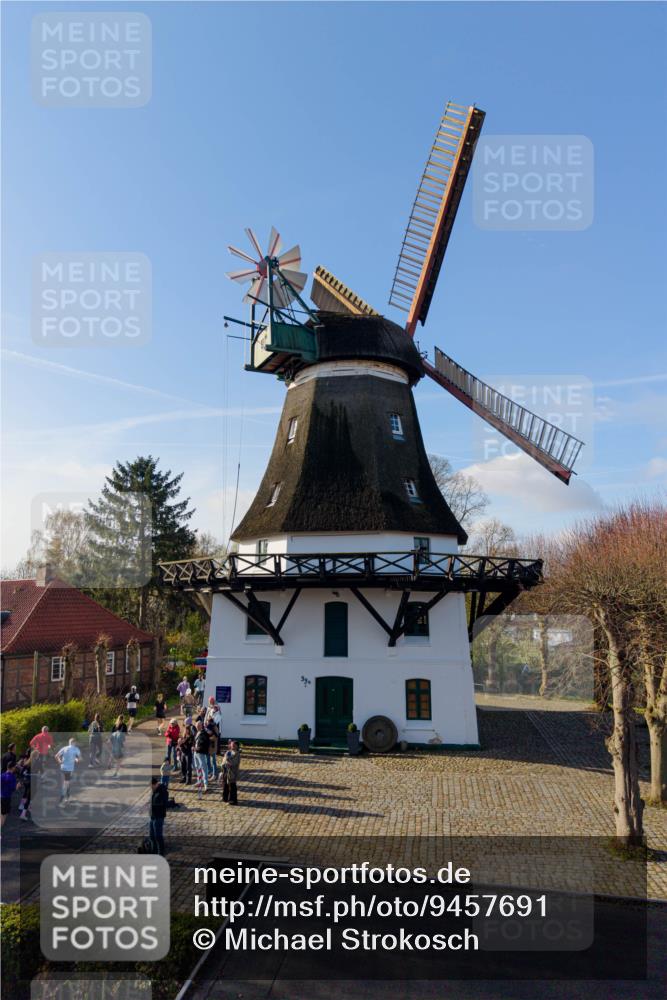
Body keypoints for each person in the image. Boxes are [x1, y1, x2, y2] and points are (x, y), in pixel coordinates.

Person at [55, 738, 81, 803]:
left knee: (67, 782)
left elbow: (56, 756)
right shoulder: (76, 749)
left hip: (62, 768)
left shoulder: (64, 748)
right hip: (69, 769)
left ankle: (67, 797)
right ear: (74, 743)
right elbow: (79, 759)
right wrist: (76, 759)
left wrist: (60, 761)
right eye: (75, 743)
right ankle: (62, 798)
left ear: (69, 742)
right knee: (66, 783)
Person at [149, 776, 168, 855]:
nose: (151, 788)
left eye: (152, 786)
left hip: (159, 816)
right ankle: (154, 852)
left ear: (156, 784)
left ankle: (161, 854)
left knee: (158, 837)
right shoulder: (154, 790)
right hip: (153, 816)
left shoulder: (162, 791)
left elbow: (162, 802)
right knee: (152, 836)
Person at [193, 722, 210, 794]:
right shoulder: (197, 732)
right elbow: (195, 742)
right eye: (196, 726)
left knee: (204, 768)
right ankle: (199, 781)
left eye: (198, 726)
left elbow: (205, 743)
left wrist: (197, 748)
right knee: (197, 767)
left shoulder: (204, 733)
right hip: (195, 752)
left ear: (201, 726)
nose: (197, 727)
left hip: (201, 753)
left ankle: (206, 784)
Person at [222, 741, 241, 806]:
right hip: (226, 771)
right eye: (231, 745)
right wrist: (225, 763)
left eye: (234, 745)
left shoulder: (237, 754)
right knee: (225, 785)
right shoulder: (228, 752)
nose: (232, 746)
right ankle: (225, 798)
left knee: (232, 786)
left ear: (237, 746)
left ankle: (233, 800)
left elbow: (233, 763)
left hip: (232, 772)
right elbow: (223, 761)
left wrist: (227, 760)